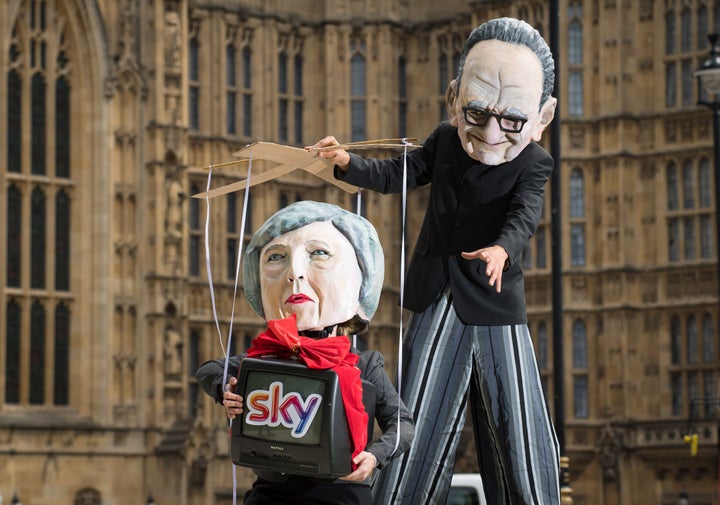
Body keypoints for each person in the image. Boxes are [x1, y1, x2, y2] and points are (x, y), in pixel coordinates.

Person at [308, 17, 561, 505]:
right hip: (435, 294)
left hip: (493, 302)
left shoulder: (536, 163)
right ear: (453, 100)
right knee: (418, 415)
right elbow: (397, 173)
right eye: (477, 112)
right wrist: (345, 163)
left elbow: (525, 215)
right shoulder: (446, 140)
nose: (491, 132)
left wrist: (503, 249)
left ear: (542, 118)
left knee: (517, 424)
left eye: (512, 120)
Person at [196, 200, 414, 505]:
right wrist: (226, 388)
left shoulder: (364, 365)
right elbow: (208, 369)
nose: (295, 274)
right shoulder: (269, 357)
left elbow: (403, 425)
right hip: (274, 492)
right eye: (276, 258)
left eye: (319, 254)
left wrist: (375, 456)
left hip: (341, 492)